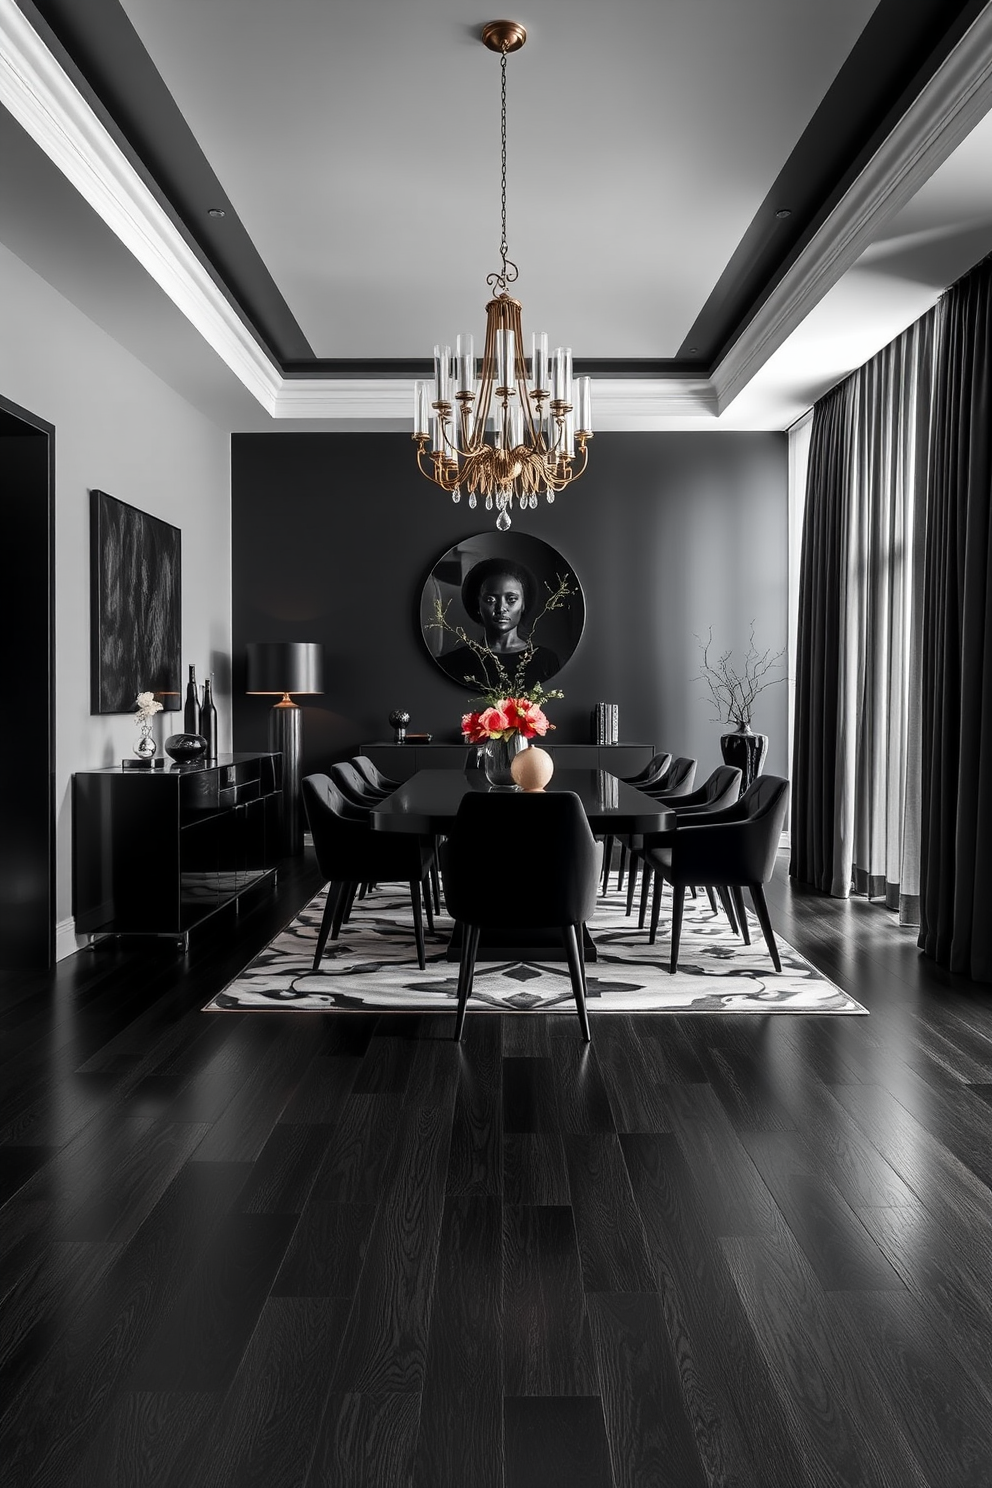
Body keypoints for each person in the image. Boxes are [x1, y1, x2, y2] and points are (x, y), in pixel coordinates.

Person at [441, 556, 560, 689]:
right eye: (490, 600)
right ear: (478, 605)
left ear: (523, 604)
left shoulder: (546, 660)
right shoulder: (454, 662)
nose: (501, 608)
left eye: (511, 599)